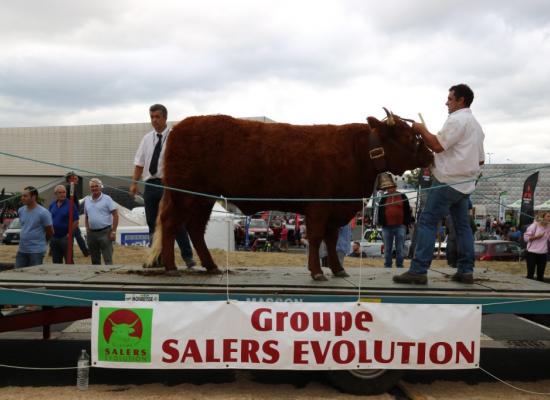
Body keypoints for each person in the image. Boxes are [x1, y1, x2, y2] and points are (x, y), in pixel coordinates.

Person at [394, 84, 485, 285]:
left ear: (461, 100)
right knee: (462, 228)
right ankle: (465, 270)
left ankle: (418, 270)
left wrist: (421, 129)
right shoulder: (476, 126)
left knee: (427, 222)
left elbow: (436, 145)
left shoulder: (456, 120)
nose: (447, 102)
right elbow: (480, 160)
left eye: (450, 99)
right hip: (465, 185)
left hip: (447, 182)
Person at [129, 104, 196, 268]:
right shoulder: (146, 138)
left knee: (176, 222)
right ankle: (156, 258)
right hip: (151, 184)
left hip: (170, 185)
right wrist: (134, 183)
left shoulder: (175, 137)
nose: (154, 120)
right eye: (151, 117)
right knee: (152, 222)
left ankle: (188, 257)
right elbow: (139, 162)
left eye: (157, 117)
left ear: (165, 117)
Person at [377, 173, 412, 268]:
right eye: (388, 187)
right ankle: (387, 265)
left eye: (392, 187)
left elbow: (407, 211)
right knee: (387, 248)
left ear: (395, 187)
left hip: (400, 226)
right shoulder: (383, 198)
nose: (390, 188)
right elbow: (380, 211)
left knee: (400, 247)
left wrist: (407, 223)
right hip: (387, 226)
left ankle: (399, 265)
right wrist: (380, 222)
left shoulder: (403, 196)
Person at [15, 186, 53, 268]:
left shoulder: (43, 212)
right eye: (22, 196)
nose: (22, 198)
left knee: (34, 276)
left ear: (34, 197)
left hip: (36, 251)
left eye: (25, 196)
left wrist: (42, 242)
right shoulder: (21, 210)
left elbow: (50, 231)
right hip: (22, 249)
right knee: (17, 274)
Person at [84, 178, 119, 265]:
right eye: (92, 186)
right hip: (92, 234)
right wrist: (88, 230)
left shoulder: (107, 199)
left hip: (105, 232)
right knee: (94, 260)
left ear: (100, 187)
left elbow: (116, 215)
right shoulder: (87, 200)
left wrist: (114, 231)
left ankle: (109, 277)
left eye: (96, 186)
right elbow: (86, 217)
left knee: (108, 259)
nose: (94, 188)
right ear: (90, 188)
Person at [48, 185, 79, 263]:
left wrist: (69, 233)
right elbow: (49, 219)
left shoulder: (71, 204)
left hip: (65, 237)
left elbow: (76, 221)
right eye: (60, 192)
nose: (62, 194)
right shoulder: (52, 205)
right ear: (56, 194)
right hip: (54, 237)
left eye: (64, 192)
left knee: (69, 261)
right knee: (56, 261)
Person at [65, 173, 89, 257]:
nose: (77, 179)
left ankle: (85, 251)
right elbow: (69, 202)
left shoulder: (72, 188)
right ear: (69, 179)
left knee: (76, 234)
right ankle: (85, 252)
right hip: (70, 216)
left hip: (72, 214)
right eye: (74, 178)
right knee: (76, 234)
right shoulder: (69, 187)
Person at [523, 212, 550, 281]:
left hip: (543, 253)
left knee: (540, 275)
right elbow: (525, 238)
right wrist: (536, 237)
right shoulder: (534, 226)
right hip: (532, 253)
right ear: (543, 217)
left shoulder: (549, 228)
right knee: (530, 274)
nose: (549, 218)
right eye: (548, 216)